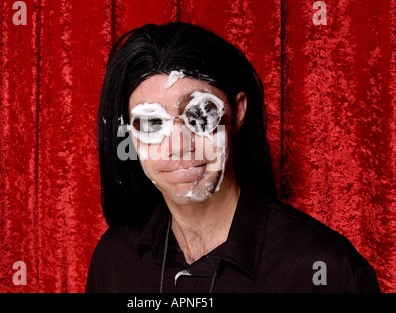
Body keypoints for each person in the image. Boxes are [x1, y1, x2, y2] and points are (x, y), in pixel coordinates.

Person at [86, 22, 380, 293]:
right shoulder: (114, 262)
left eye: (200, 113)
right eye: (151, 123)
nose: (177, 146)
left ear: (237, 112)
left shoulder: (323, 267)